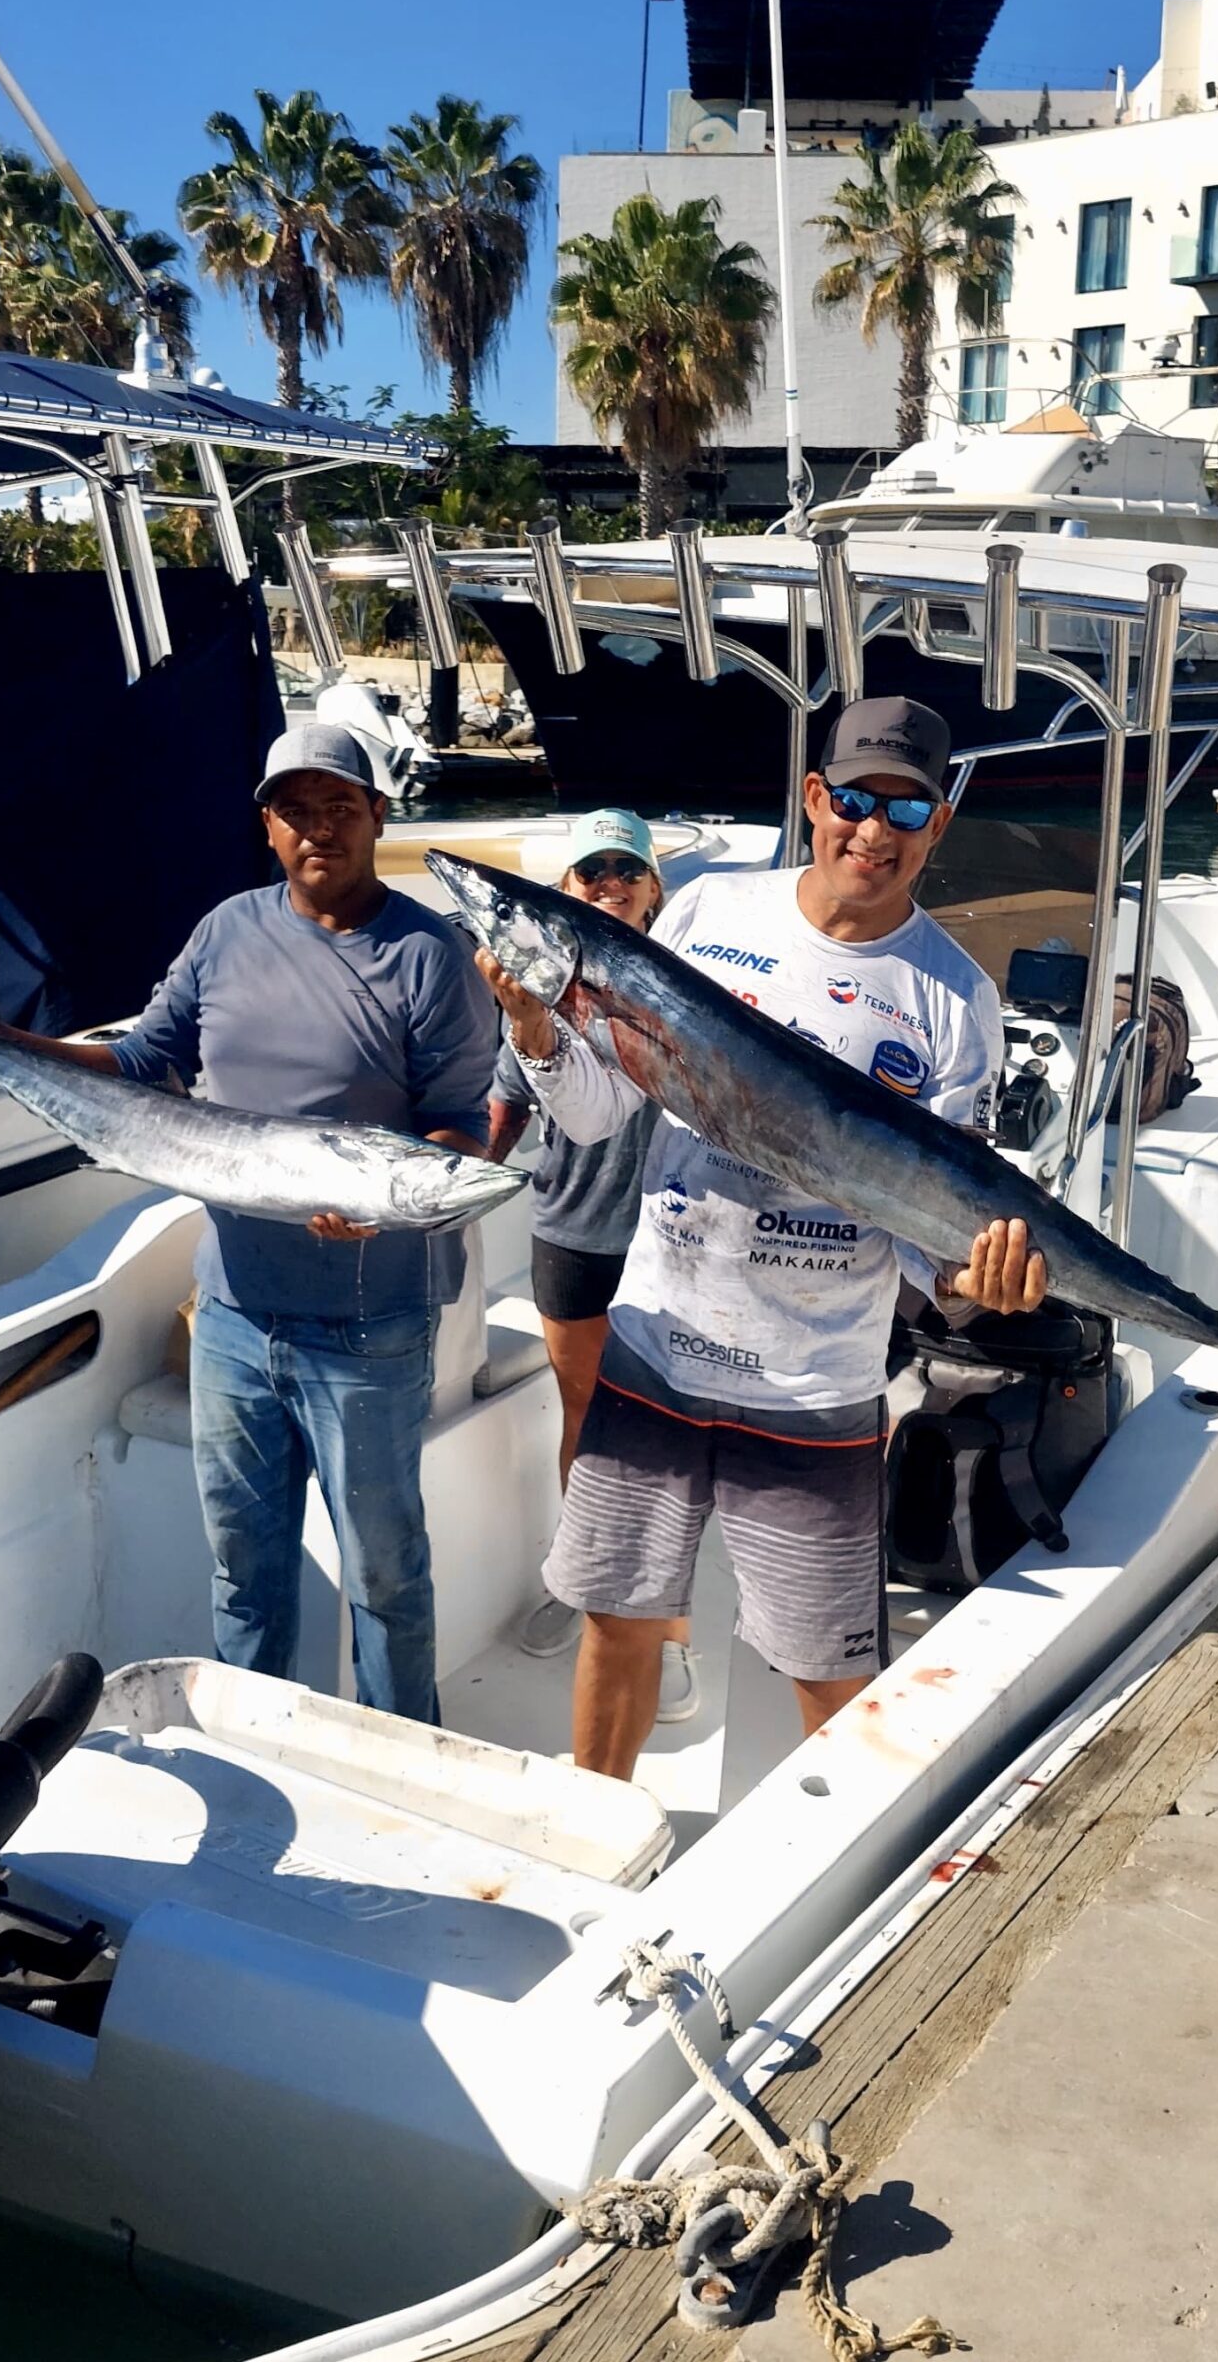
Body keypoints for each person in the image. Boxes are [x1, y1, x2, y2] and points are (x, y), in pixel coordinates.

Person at [478, 694, 1047, 1780]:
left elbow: (942, 1255)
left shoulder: (956, 1002)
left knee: (829, 1669)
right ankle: (594, 1829)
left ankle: (841, 1867)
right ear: (812, 797)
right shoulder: (703, 914)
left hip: (815, 1387)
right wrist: (531, 1025)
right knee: (618, 1621)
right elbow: (600, 1113)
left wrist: (985, 1289)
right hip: (655, 1348)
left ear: (939, 823)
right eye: (853, 799)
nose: (872, 831)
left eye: (906, 807)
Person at [0, 721, 494, 1723]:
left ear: (377, 817)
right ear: (266, 826)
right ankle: (258, 1757)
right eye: (296, 810)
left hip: (370, 1327)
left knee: (385, 1578)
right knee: (243, 1571)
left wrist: (382, 1213)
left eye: (340, 806)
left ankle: (410, 1758)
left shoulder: (429, 956)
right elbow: (141, 1065)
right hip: (228, 1317)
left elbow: (459, 1128)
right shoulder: (226, 932)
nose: (319, 828)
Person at [486, 809, 695, 1722]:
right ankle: (583, 1584)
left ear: (653, 889)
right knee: (585, 1420)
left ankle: (668, 1632)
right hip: (569, 1232)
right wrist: (436, 1189)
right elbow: (501, 1113)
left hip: (669, 1243)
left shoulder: (695, 984)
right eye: (588, 871)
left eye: (625, 868)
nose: (607, 880)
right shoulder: (532, 997)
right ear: (564, 892)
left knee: (664, 1441)